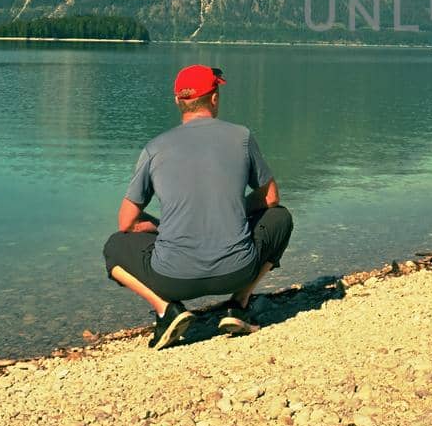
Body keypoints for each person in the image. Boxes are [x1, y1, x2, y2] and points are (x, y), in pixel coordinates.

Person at [103, 64, 294, 349]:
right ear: (215, 98)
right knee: (281, 218)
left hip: (172, 279)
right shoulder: (241, 137)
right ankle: (239, 303)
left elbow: (126, 222)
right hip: (237, 271)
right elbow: (270, 199)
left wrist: (161, 226)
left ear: (178, 101)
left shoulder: (155, 148)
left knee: (114, 247)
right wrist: (234, 210)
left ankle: (167, 310)